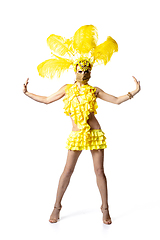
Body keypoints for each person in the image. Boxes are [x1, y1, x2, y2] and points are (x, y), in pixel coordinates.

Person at [23, 25, 141, 224]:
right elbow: (46, 99)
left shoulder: (94, 90)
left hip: (94, 133)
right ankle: (56, 207)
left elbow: (115, 100)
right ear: (75, 69)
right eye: (81, 69)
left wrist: (134, 91)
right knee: (67, 171)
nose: (84, 72)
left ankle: (105, 209)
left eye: (87, 69)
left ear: (90, 71)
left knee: (99, 171)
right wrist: (27, 93)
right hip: (77, 135)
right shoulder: (67, 89)